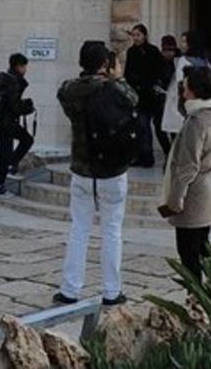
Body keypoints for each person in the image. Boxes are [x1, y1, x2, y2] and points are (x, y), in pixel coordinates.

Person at [54, 41, 137, 307]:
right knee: (112, 230)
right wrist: (118, 77)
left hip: (82, 169)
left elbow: (63, 93)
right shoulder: (114, 89)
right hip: (112, 171)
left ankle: (70, 288)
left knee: (79, 229)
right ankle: (112, 291)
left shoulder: (70, 90)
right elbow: (134, 100)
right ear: (105, 63)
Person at [158, 66, 211, 281]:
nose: (183, 91)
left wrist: (175, 198)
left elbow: (187, 166)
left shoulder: (197, 122)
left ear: (194, 89)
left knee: (189, 255)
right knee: (203, 249)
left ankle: (197, 301)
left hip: (194, 199)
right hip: (209, 194)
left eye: (186, 86)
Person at [0, 53, 35, 194]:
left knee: (26, 140)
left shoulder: (7, 79)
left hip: (4, 121)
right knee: (6, 154)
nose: (26, 70)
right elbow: (14, 106)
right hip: (6, 122)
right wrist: (27, 107)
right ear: (19, 66)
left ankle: (10, 165)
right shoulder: (13, 82)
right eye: (25, 66)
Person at [123, 25, 167, 168]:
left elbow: (160, 70)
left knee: (157, 128)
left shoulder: (153, 51)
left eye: (138, 35)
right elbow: (128, 72)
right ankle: (144, 156)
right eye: (134, 35)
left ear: (144, 36)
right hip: (137, 95)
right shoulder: (131, 52)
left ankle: (165, 154)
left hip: (150, 96)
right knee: (141, 127)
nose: (135, 38)